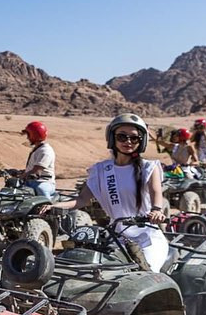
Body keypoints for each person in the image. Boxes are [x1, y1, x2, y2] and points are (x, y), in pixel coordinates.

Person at [42, 113, 170, 272]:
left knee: (146, 274)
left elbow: (156, 192)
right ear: (112, 138)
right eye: (122, 137)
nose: (128, 141)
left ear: (141, 141)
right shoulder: (101, 170)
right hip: (117, 238)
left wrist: (156, 210)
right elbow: (82, 200)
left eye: (134, 138)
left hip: (147, 239)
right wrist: (55, 206)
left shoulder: (148, 168)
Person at [20, 121, 56, 198]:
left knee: (41, 189)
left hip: (44, 182)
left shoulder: (46, 151)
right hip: (30, 182)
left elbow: (37, 170)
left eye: (28, 135)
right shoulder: (37, 149)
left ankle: (48, 208)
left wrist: (23, 176)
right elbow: (31, 169)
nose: (27, 138)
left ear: (34, 135)